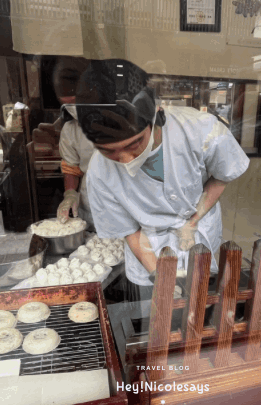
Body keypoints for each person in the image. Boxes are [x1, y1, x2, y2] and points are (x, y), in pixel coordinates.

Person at [77, 59, 250, 297]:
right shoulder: (99, 172)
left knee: (202, 303)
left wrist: (193, 221)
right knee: (157, 310)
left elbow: (222, 176)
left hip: (198, 239)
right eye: (109, 151)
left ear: (156, 116)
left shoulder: (199, 130)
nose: (125, 159)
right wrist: (158, 276)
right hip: (148, 250)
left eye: (134, 144)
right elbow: (129, 230)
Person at [53, 56, 97, 226]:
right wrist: (70, 194)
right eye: (68, 104)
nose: (74, 108)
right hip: (91, 208)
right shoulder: (70, 130)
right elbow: (71, 168)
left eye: (77, 101)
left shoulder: (126, 123)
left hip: (129, 208)